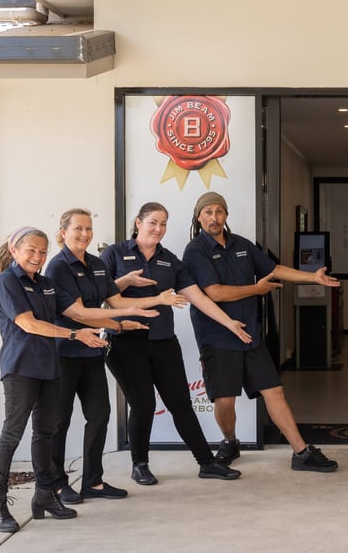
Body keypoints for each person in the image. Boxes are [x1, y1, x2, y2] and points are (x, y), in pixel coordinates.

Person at [0, 227, 158, 533]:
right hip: (21, 368)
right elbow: (29, 324)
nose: (38, 256)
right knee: (12, 434)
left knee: (45, 433)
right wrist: (73, 335)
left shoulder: (45, 284)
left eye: (42, 251)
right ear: (14, 250)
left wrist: (119, 323)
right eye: (31, 250)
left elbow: (77, 313)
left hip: (49, 367)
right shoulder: (7, 281)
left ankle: (44, 495)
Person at [182, 192, 339, 472]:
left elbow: (273, 268)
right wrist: (257, 289)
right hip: (217, 336)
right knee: (225, 400)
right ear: (199, 216)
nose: (214, 218)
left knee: (274, 391)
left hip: (251, 335)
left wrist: (311, 277)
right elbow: (215, 293)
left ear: (226, 215)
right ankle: (230, 441)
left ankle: (301, 452)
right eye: (208, 212)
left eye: (219, 211)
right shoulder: (196, 250)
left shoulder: (242, 244)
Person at [101, 202, 252, 485]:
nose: (158, 229)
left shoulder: (169, 260)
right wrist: (126, 281)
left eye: (163, 224)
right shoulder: (115, 253)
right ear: (138, 223)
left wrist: (228, 322)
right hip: (125, 342)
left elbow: (198, 297)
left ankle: (206, 463)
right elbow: (103, 295)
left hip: (163, 341)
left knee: (181, 403)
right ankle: (140, 465)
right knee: (143, 404)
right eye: (152, 222)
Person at [46, 208, 189, 504]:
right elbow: (78, 313)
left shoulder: (97, 264)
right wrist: (122, 320)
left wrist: (143, 306)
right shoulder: (58, 267)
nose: (85, 234)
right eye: (78, 229)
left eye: (88, 228)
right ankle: (56, 484)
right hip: (65, 352)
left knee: (100, 415)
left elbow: (116, 300)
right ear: (63, 232)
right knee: (59, 420)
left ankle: (93, 482)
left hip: (93, 350)